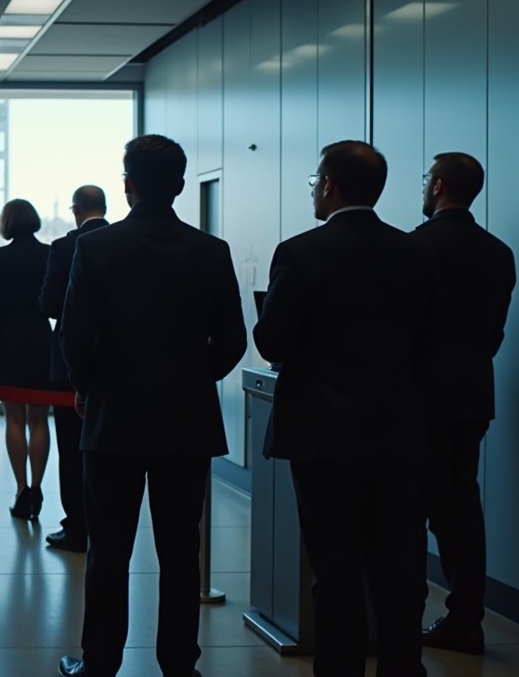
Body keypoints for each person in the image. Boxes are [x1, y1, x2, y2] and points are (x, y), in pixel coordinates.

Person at [58, 135, 246, 677]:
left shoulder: (95, 249)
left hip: (113, 420)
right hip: (187, 423)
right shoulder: (211, 252)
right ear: (181, 185)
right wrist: (188, 376)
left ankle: (99, 663)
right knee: (181, 552)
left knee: (108, 551)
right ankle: (179, 665)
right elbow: (232, 340)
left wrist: (89, 386)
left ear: (128, 185)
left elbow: (74, 335)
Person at [254, 140, 436, 677]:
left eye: (315, 181)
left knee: (335, 568)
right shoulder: (415, 253)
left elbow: (273, 343)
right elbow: (430, 345)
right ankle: (402, 667)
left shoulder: (300, 252)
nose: (314, 189)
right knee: (399, 567)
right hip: (398, 431)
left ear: (330, 185)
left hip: (322, 436)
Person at [415, 152, 514, 654]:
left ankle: (400, 614)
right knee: (462, 507)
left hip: (416, 399)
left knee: (408, 508)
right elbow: (493, 331)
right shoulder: (499, 253)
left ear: (436, 188)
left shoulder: (415, 247)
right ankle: (466, 619)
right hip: (473, 394)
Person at [0, 198, 54, 520]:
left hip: (6, 342)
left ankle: (21, 491)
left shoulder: (0, 257)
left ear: (7, 223)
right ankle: (38, 486)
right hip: (40, 340)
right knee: (40, 420)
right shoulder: (49, 253)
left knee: (14, 420)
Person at [39, 184, 109, 551]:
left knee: (71, 448)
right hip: (116, 363)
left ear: (76, 210)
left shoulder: (64, 247)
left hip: (69, 363)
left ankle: (76, 526)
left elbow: (50, 304)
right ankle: (102, 525)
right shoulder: (120, 240)